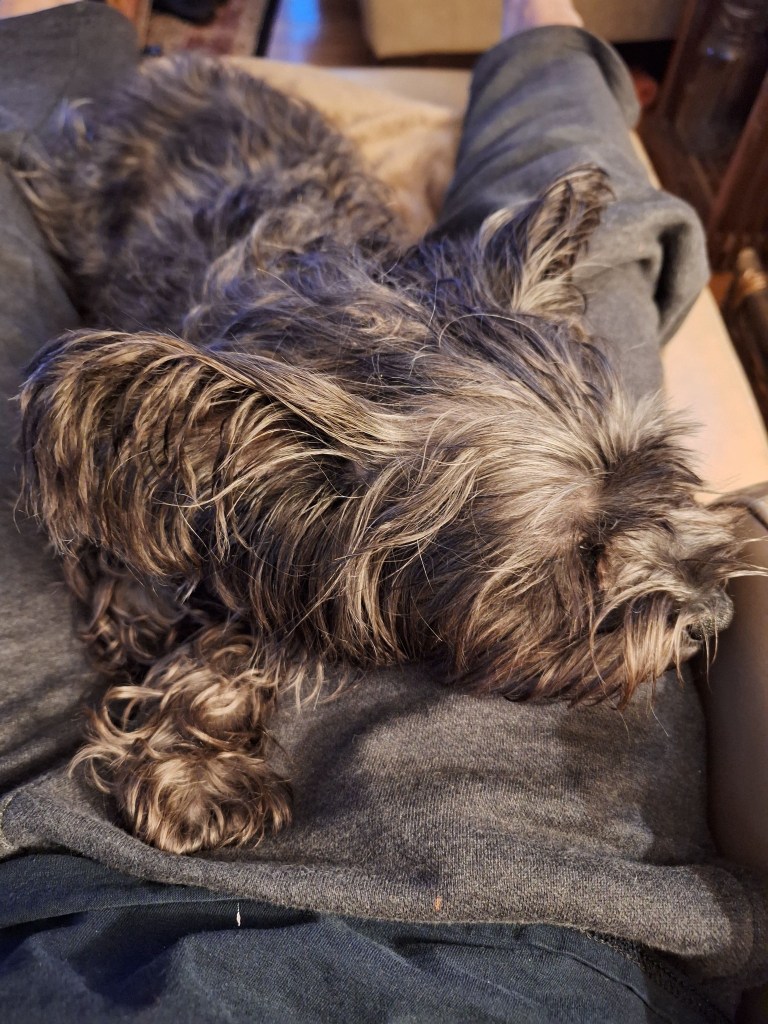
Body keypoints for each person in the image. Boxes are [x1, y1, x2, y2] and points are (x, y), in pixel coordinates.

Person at [0, 1, 766, 1021]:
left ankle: (539, 28)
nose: (702, 597)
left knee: (582, 238)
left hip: (89, 910)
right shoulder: (257, 477)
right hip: (158, 172)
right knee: (610, 243)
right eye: (581, 562)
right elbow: (121, 540)